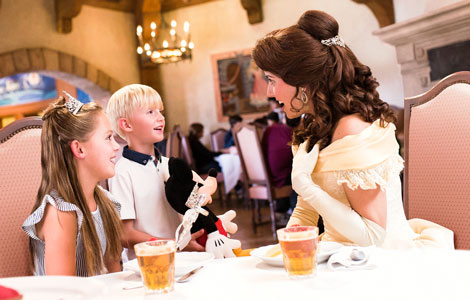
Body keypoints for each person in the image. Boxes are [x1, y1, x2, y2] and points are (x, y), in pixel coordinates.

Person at [252, 10, 453, 249]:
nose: (269, 93)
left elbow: (373, 237)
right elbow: (306, 213)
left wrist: (306, 185)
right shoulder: (315, 126)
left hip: (386, 262)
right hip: (342, 258)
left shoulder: (351, 131)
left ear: (302, 82)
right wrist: (290, 245)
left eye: (272, 80)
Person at [22, 94, 123, 276]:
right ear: (79, 149)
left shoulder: (107, 203)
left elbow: (115, 277)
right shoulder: (62, 213)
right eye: (108, 138)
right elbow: (63, 292)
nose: (116, 146)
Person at [106, 84, 204, 261]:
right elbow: (125, 235)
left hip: (182, 258)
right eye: (150, 112)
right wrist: (174, 244)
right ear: (126, 124)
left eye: (160, 111)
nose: (160, 117)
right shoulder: (122, 173)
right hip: (148, 264)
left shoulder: (169, 165)